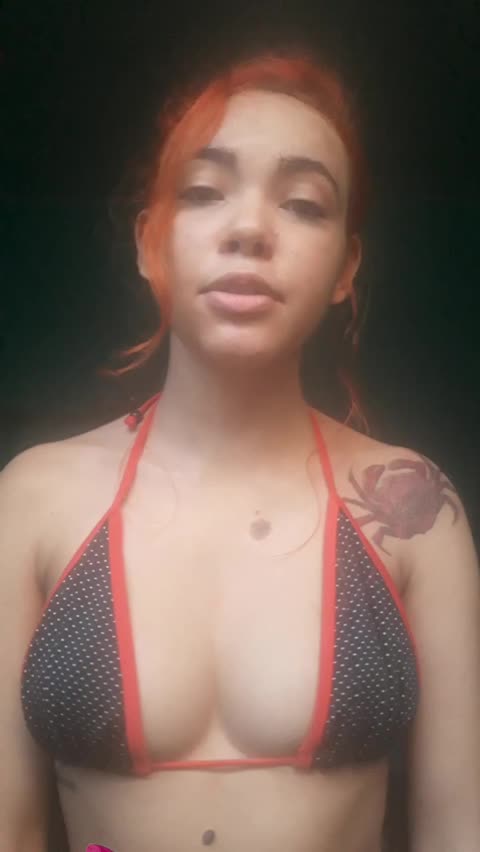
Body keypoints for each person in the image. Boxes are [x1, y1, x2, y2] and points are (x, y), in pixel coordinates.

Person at [1, 50, 479, 852]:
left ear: (346, 268)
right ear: (149, 242)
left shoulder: (418, 507)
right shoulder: (33, 499)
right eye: (202, 192)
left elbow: (461, 830)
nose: (250, 229)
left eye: (303, 204)